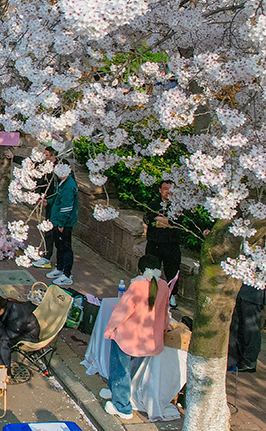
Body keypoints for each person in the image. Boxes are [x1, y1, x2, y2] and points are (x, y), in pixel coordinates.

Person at [103, 255, 171, 420]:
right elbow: (165, 310)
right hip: (149, 339)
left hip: (128, 337)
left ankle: (122, 406)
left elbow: (122, 311)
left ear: (141, 270)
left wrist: (110, 329)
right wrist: (165, 328)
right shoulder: (163, 286)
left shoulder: (137, 285)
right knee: (132, 370)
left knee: (120, 369)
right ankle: (117, 391)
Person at [145, 180, 182, 307]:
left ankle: (171, 295)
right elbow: (148, 218)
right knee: (151, 268)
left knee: (172, 269)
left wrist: (164, 221)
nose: (168, 192)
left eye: (171, 189)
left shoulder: (179, 206)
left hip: (171, 244)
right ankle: (150, 293)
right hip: (154, 242)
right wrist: (158, 219)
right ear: (160, 190)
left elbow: (179, 223)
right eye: (165, 188)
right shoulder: (154, 204)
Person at [0, 294, 40, 368]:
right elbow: (3, 325)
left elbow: (10, 335)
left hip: (28, 336)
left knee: (1, 341)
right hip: (17, 331)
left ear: (1, 308)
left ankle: (2, 369)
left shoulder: (16, 314)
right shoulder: (6, 308)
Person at [46, 163, 78, 286]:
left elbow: (67, 207)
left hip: (64, 223)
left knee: (65, 247)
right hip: (57, 220)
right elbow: (56, 199)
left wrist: (61, 223)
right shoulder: (62, 183)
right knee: (59, 245)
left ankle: (67, 274)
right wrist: (48, 202)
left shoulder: (69, 186)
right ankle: (59, 268)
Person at [28, 147, 59, 269]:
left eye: (46, 155)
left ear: (53, 156)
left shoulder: (58, 169)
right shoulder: (43, 165)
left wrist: (48, 200)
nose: (44, 157)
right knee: (47, 230)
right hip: (47, 200)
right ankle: (47, 255)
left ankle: (48, 258)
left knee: (51, 231)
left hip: (54, 203)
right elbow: (30, 164)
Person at [229, 283, 266, 373]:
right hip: (242, 291)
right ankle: (240, 358)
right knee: (240, 326)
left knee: (251, 327)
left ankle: (250, 362)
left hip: (254, 293)